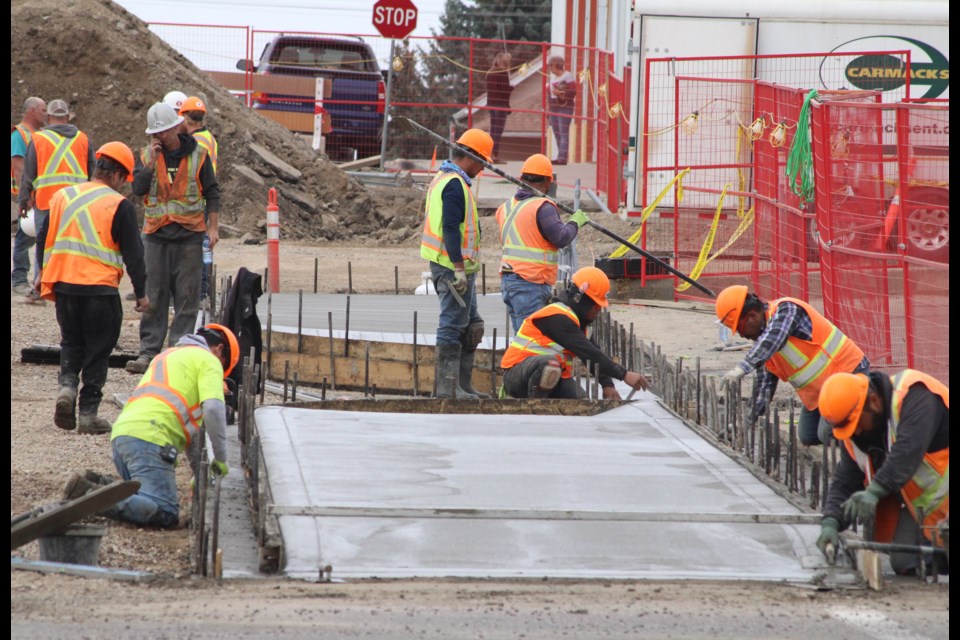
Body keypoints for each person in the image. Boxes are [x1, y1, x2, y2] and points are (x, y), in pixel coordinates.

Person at [62, 324, 238, 528]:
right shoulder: (208, 360)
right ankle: (86, 495)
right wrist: (222, 458)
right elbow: (214, 409)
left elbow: (192, 433)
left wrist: (200, 474)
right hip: (150, 441)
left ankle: (95, 483)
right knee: (166, 511)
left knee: (143, 496)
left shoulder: (167, 356)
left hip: (123, 437)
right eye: (224, 366)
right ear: (219, 349)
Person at [39, 142, 149, 434]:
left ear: (97, 167)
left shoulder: (63, 196)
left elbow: (42, 237)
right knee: (99, 350)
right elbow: (134, 254)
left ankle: (66, 387)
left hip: (65, 288)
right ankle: (88, 414)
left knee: (71, 342)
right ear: (117, 176)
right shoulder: (118, 205)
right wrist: (142, 292)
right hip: (100, 291)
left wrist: (42, 274)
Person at [815, 370, 948, 574]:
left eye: (856, 424)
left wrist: (875, 491)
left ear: (874, 401)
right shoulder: (856, 437)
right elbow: (845, 482)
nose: (855, 433)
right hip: (930, 512)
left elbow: (907, 452)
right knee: (905, 561)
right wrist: (831, 521)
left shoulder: (915, 395)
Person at [125, 102, 221, 375]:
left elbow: (212, 192)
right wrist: (152, 162)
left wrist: (212, 228)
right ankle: (148, 353)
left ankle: (178, 353)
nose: (161, 138)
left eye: (165, 132)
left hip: (189, 236)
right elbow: (138, 189)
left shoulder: (199, 155)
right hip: (156, 236)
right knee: (153, 295)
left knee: (187, 298)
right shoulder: (146, 156)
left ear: (177, 127)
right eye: (156, 134)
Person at [714, 285, 869, 446]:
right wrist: (744, 424)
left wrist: (743, 367)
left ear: (752, 315)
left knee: (827, 433)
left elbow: (774, 337)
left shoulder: (787, 310)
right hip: (821, 394)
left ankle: (870, 422)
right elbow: (763, 391)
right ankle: (844, 416)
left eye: (739, 328)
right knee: (808, 436)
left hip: (849, 375)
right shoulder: (764, 349)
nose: (742, 335)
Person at [420, 128, 494, 398]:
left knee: (472, 326)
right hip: (452, 268)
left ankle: (462, 385)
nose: (482, 168)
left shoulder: (453, 180)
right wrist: (459, 269)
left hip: (461, 268)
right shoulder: (453, 184)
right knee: (452, 324)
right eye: (482, 162)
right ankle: (448, 388)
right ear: (471, 157)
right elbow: (450, 228)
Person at [500, 266, 649, 399]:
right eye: (596, 305)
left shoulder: (581, 323)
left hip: (554, 377)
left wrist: (607, 385)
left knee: (583, 404)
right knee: (549, 365)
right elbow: (588, 352)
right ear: (580, 299)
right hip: (517, 375)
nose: (598, 310)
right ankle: (536, 409)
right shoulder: (557, 317)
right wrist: (624, 374)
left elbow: (594, 353)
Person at [496, 153, 587, 332]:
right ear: (547, 182)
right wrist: (575, 222)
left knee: (522, 339)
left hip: (509, 280)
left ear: (521, 179)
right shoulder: (542, 207)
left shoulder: (505, 207)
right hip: (530, 283)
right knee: (532, 341)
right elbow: (561, 238)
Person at [18, 99, 95, 303]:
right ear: (68, 117)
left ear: (49, 117)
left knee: (44, 246)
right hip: (78, 204)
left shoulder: (39, 139)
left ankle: (39, 289)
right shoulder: (83, 139)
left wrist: (23, 201)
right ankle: (74, 285)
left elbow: (28, 174)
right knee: (76, 245)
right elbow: (93, 173)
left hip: (47, 202)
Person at [179, 96, 219, 303]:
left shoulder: (194, 142)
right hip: (204, 199)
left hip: (195, 201)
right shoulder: (210, 138)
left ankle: (202, 293)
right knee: (204, 248)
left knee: (198, 249)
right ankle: (205, 291)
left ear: (186, 119)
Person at [11, 96, 47, 295]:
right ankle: (18, 279)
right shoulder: (19, 135)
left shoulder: (39, 134)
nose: (46, 114)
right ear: (31, 111)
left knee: (34, 235)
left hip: (39, 193)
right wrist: (26, 197)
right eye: (43, 110)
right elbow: (18, 167)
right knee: (26, 235)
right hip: (30, 195)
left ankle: (33, 279)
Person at [546, 55, 576, 165]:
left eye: (551, 66)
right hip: (553, 107)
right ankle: (561, 156)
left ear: (557, 65)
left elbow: (573, 92)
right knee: (557, 132)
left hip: (565, 107)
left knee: (563, 133)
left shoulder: (568, 76)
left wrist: (561, 93)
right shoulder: (552, 78)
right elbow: (549, 95)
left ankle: (562, 158)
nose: (550, 68)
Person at [486, 52, 513, 164]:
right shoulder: (503, 74)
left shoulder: (490, 73)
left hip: (491, 105)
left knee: (493, 130)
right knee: (498, 131)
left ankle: (490, 153)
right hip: (501, 106)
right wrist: (511, 88)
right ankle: (494, 154)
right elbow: (504, 91)